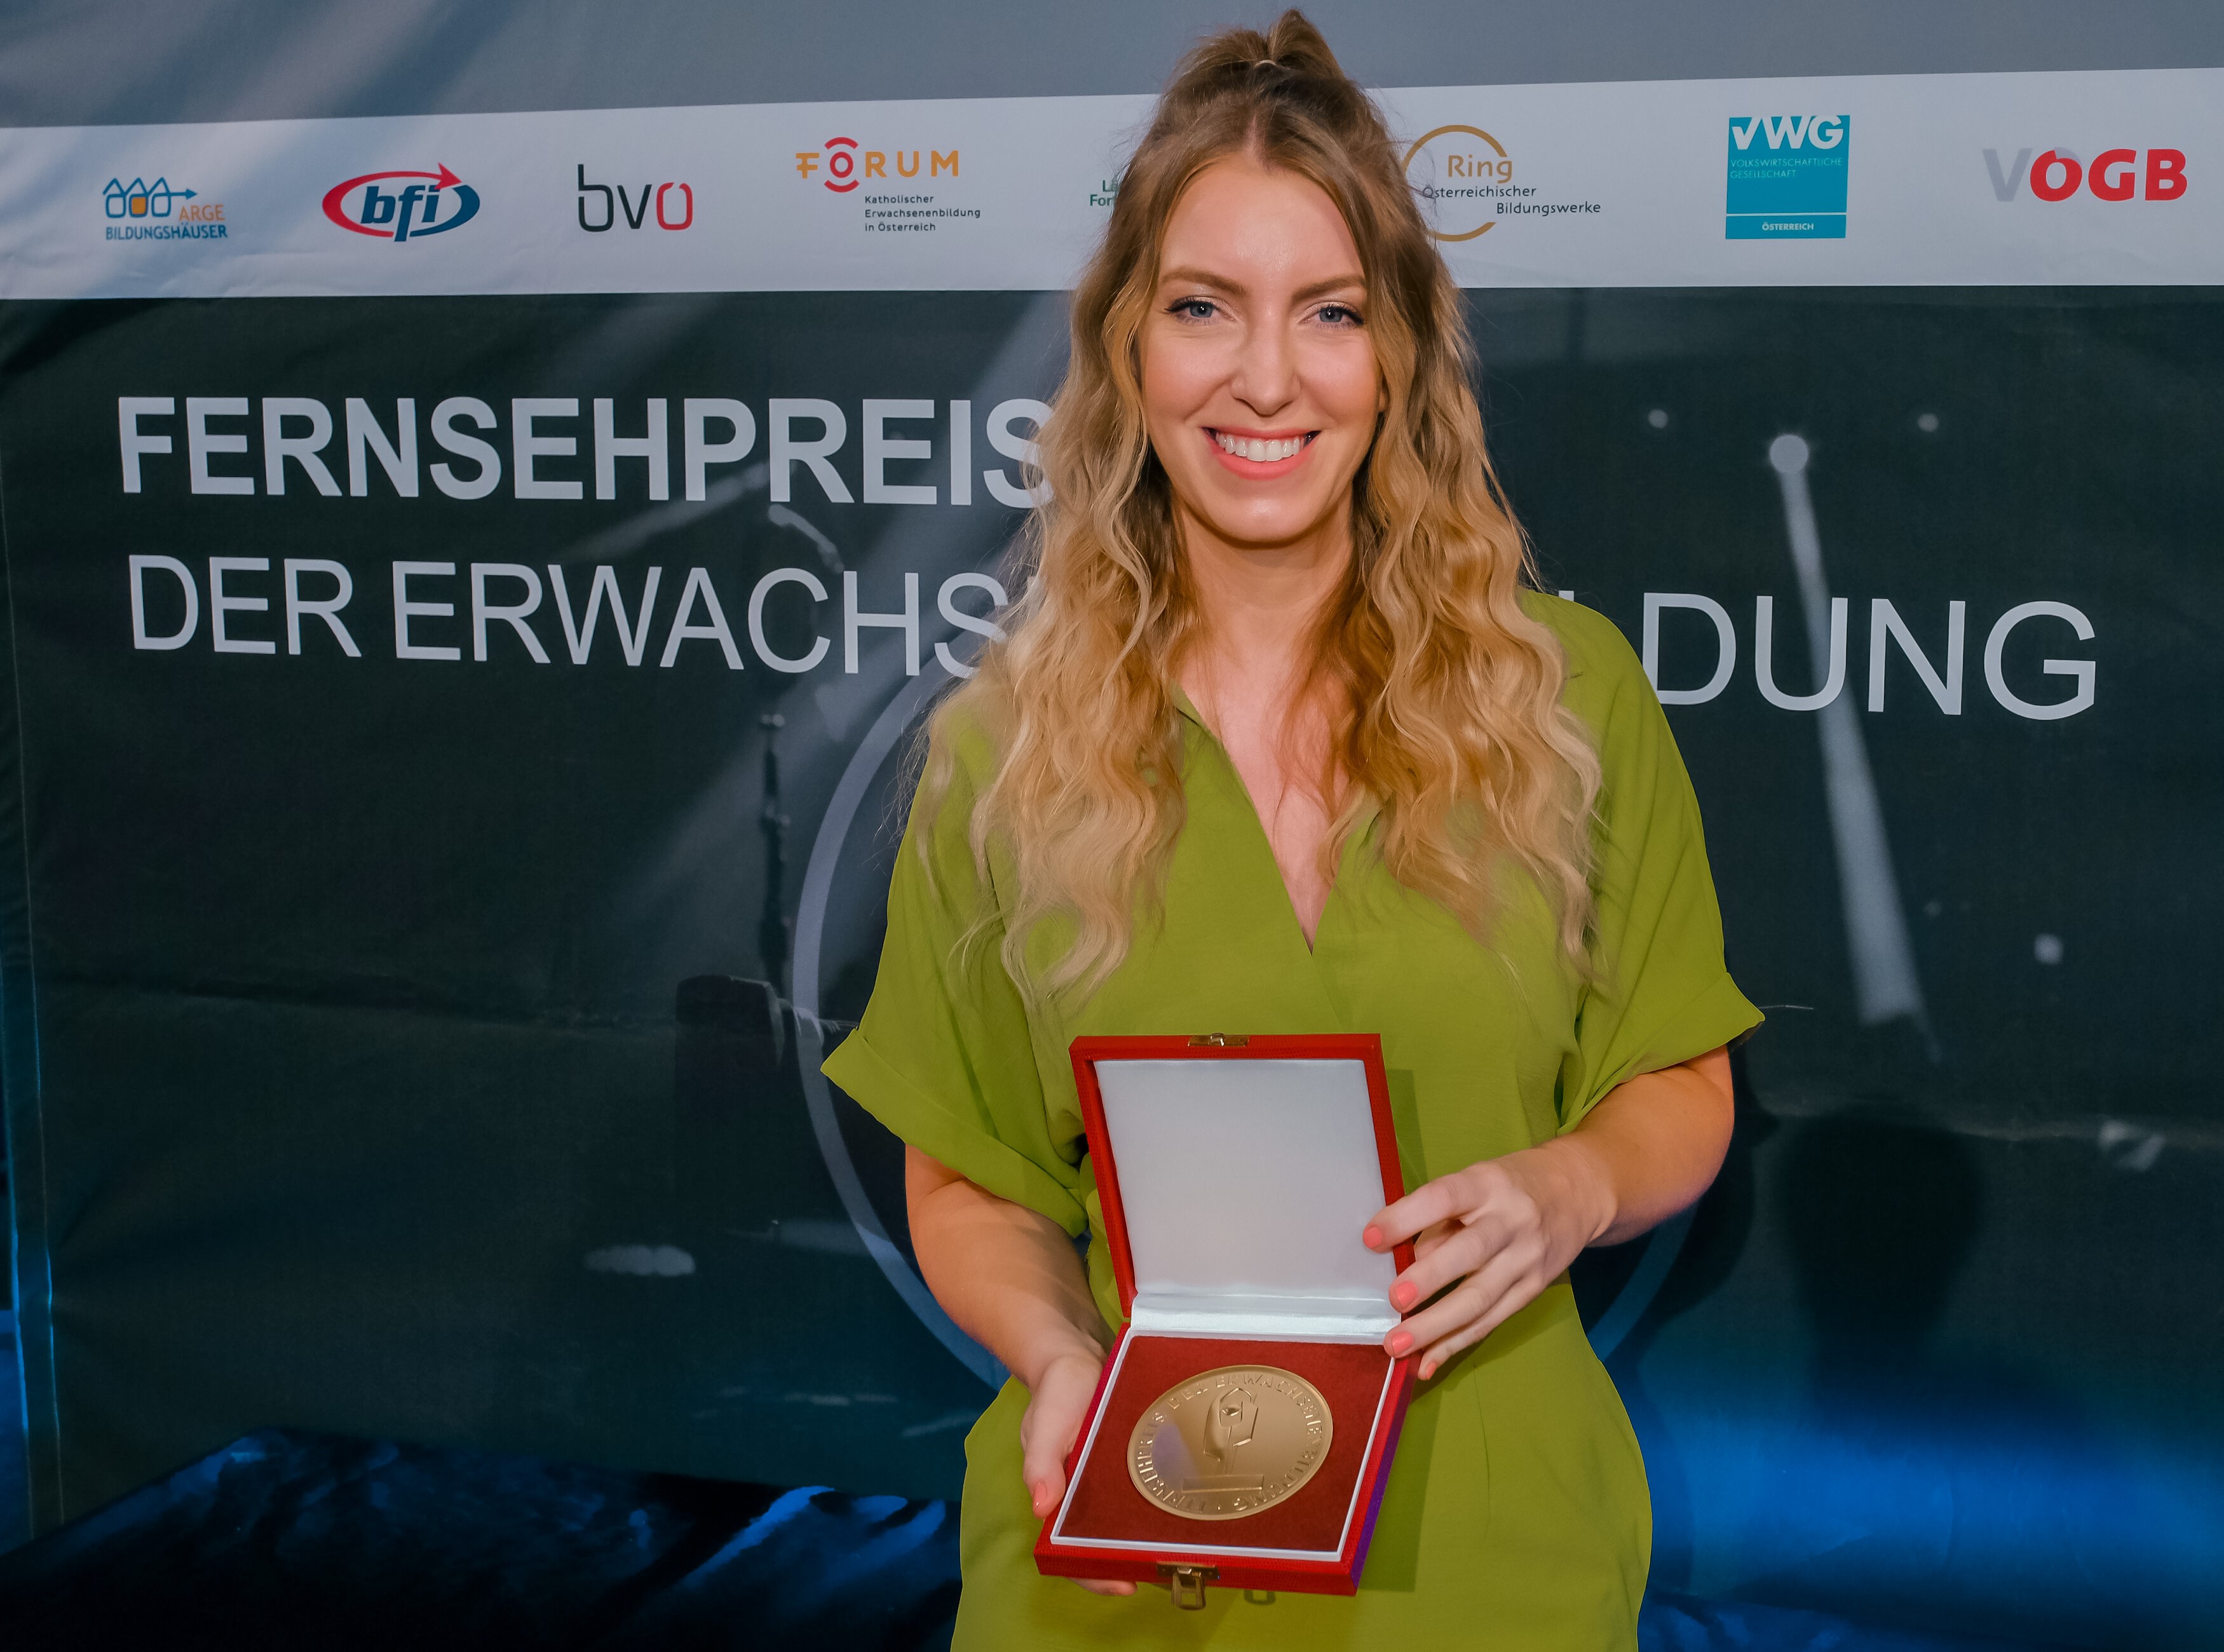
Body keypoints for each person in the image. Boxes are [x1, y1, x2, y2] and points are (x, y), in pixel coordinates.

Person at [823, 12, 1760, 1646]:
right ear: (1128, 344)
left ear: (1397, 356)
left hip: (1488, 1561)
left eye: (1329, 312)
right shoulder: (996, 751)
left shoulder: (1568, 694)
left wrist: (1569, 1182)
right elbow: (967, 1180)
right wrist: (1061, 1357)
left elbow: (1678, 1083)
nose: (1265, 377)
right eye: (1204, 307)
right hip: (1123, 1562)